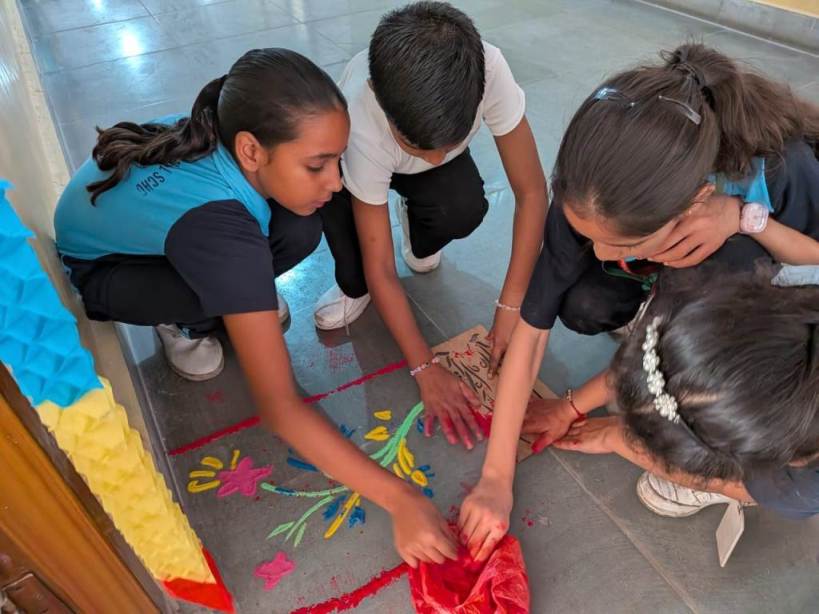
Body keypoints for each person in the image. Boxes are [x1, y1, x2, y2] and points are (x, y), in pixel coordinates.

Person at [55, 48, 456, 568]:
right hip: (110, 272)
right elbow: (280, 408)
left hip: (162, 230)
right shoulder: (217, 228)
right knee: (244, 267)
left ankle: (237, 301)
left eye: (337, 160)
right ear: (250, 150)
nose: (336, 181)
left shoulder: (233, 127)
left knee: (302, 226)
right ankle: (184, 321)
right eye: (317, 165)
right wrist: (400, 499)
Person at [459, 42, 819, 559]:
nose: (600, 253)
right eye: (588, 236)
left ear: (695, 206)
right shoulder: (595, 187)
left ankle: (700, 420)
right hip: (698, 276)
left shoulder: (783, 174)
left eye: (622, 244)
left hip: (771, 314)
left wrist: (743, 218)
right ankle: (657, 334)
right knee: (583, 299)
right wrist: (496, 475)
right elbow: (532, 333)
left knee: (731, 410)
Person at [314, 1, 549, 450]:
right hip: (358, 170)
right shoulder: (359, 117)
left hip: (411, 144)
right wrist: (424, 367)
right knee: (361, 273)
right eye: (421, 147)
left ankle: (416, 222)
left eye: (451, 143)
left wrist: (511, 304)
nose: (437, 158)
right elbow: (382, 268)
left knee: (462, 206)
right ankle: (352, 281)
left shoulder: (488, 69)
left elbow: (533, 192)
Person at [551, 271, 819, 521]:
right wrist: (569, 408)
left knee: (786, 495)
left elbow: (744, 485)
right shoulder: (772, 279)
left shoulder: (802, 489)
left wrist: (615, 437)